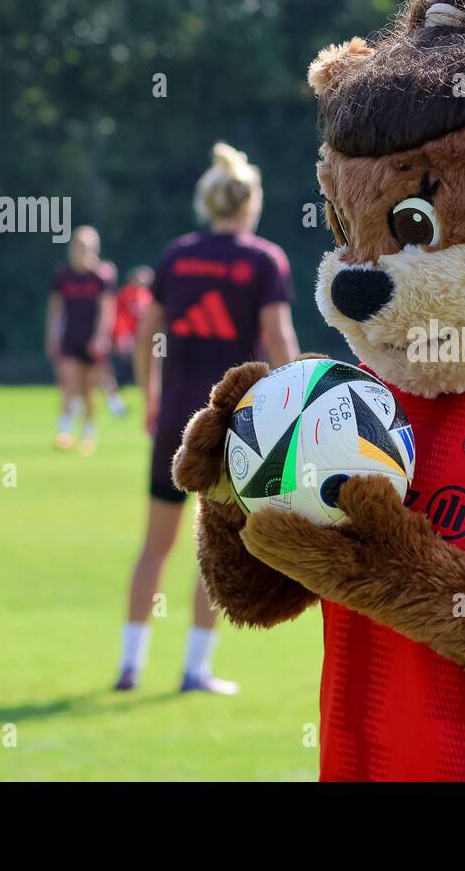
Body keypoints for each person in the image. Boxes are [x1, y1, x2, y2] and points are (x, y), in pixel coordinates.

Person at [117, 142, 299, 694]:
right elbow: (280, 339)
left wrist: (149, 394)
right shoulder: (264, 260)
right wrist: (294, 405)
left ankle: (129, 664)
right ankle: (195, 669)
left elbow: (146, 332)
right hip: (232, 426)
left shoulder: (176, 255)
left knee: (155, 543)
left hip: (174, 418)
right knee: (215, 545)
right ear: (250, 203)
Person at [44, 226, 116, 454]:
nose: (80, 251)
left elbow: (107, 309)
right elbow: (56, 308)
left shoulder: (101, 275)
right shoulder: (63, 275)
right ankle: (63, 432)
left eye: (85, 247)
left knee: (88, 391)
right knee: (69, 385)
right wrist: (53, 335)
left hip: (92, 340)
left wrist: (100, 337)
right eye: (76, 246)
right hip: (70, 339)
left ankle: (88, 434)